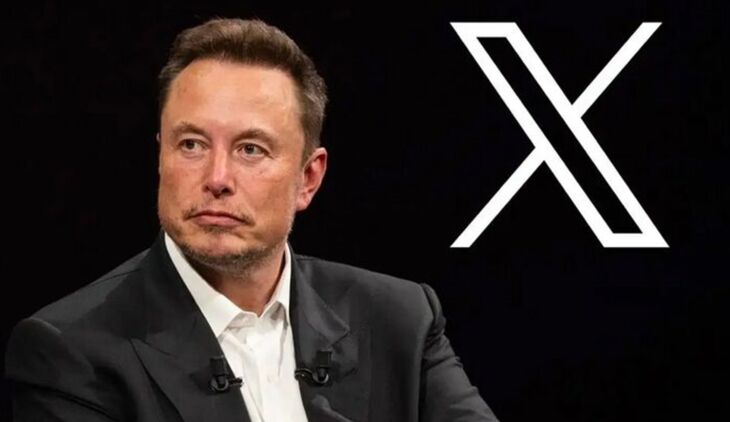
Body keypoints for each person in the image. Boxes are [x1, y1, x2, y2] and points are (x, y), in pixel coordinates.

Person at [5, 18, 498, 422]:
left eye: (250, 149)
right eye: (191, 144)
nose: (217, 178)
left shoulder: (400, 319)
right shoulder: (70, 352)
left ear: (308, 178)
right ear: (160, 157)